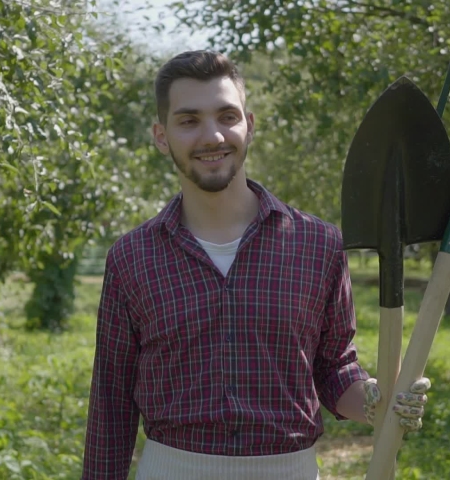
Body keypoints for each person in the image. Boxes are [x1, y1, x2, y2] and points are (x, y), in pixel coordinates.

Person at [81, 50, 431, 480]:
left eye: (227, 116)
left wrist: (378, 400)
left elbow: (333, 369)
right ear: (161, 135)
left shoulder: (317, 244)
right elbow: (111, 405)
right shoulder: (132, 258)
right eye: (189, 121)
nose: (212, 136)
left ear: (250, 124)